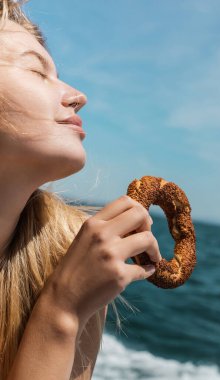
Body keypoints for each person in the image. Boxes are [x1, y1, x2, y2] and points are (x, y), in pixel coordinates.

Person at [0, 1, 162, 379]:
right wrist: (60, 312)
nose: (78, 95)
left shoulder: (61, 257)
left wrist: (68, 305)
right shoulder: (68, 286)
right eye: (37, 70)